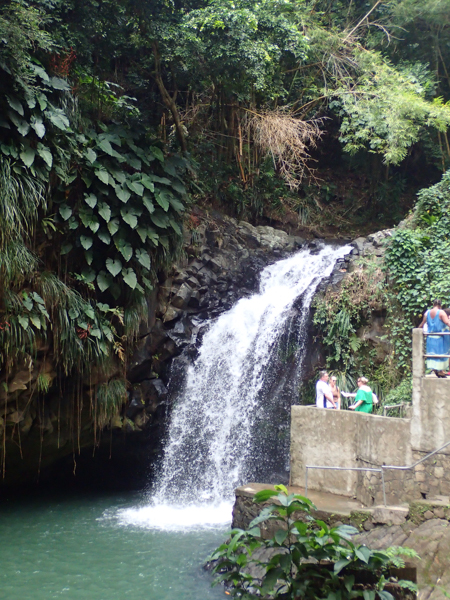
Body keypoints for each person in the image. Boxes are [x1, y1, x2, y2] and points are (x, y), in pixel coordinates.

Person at [419, 299, 450, 377]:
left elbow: (423, 323)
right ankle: (440, 370)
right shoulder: (441, 312)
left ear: (433, 305)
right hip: (438, 338)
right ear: (440, 306)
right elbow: (447, 322)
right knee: (440, 354)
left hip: (430, 338)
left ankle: (437, 370)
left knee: (433, 355)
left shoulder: (428, 313)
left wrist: (417, 330)